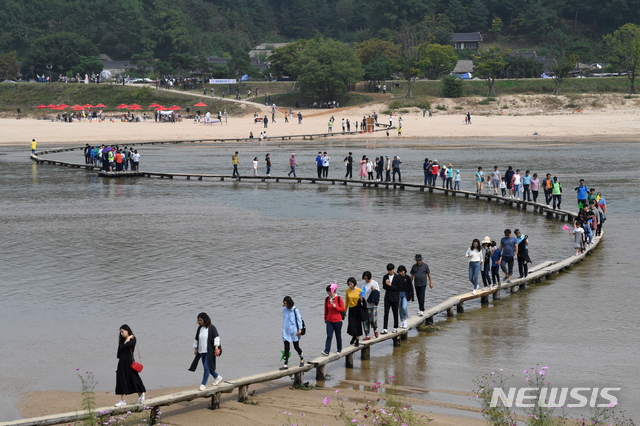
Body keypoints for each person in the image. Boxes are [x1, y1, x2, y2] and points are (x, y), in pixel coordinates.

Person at [114, 325, 146, 406]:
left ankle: (141, 393)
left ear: (127, 331)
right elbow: (119, 352)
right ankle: (123, 401)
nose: (121, 334)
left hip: (129, 362)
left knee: (133, 379)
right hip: (121, 363)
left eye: (122, 331)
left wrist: (128, 339)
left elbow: (126, 346)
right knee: (121, 380)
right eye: (120, 332)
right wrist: (125, 341)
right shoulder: (122, 341)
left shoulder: (133, 340)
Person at [193, 312, 222, 391]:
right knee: (207, 367)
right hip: (202, 350)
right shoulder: (200, 328)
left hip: (210, 351)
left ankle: (203, 384)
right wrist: (195, 348)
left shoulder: (211, 327)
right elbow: (196, 339)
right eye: (198, 320)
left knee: (206, 367)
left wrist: (216, 348)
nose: (199, 322)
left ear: (205, 320)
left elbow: (216, 338)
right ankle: (217, 377)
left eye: (201, 320)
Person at [280, 296, 304, 370]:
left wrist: (300, 330)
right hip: (285, 331)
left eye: (286, 303)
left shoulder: (295, 310)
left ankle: (302, 359)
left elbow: (299, 320)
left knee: (296, 347)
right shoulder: (284, 310)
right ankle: (285, 364)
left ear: (290, 303)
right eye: (284, 304)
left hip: (294, 331)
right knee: (286, 348)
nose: (285, 305)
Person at [322, 283, 345, 356]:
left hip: (337, 320)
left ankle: (339, 349)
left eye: (330, 292)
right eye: (328, 292)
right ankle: (326, 351)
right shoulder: (326, 299)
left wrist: (336, 307)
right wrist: (325, 318)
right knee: (329, 335)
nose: (329, 293)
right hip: (329, 320)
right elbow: (326, 310)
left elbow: (342, 309)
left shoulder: (339, 299)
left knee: (338, 335)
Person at [381, 263, 401, 334]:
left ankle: (395, 327)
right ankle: (385, 328)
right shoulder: (385, 277)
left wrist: (391, 285)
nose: (389, 272)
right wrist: (386, 285)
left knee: (395, 313)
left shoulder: (398, 277)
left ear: (393, 269)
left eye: (390, 270)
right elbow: (384, 287)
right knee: (386, 313)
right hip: (387, 297)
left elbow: (398, 288)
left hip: (395, 297)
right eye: (388, 270)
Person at [360, 271, 380, 340]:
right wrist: (360, 298)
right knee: (365, 321)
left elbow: (378, 294)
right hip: (364, 305)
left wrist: (373, 289)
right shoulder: (362, 284)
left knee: (372, 320)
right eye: (364, 278)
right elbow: (361, 293)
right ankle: (367, 335)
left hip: (372, 305)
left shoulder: (375, 283)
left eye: (367, 278)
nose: (366, 280)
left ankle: (375, 329)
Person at [345, 277, 363, 347]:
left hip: (357, 309)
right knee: (351, 324)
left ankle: (357, 340)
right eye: (349, 284)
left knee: (357, 325)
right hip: (351, 309)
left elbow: (362, 300)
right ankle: (354, 337)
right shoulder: (347, 291)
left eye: (351, 284)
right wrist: (344, 311)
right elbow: (346, 301)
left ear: (354, 283)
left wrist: (361, 298)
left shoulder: (359, 290)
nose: (350, 286)